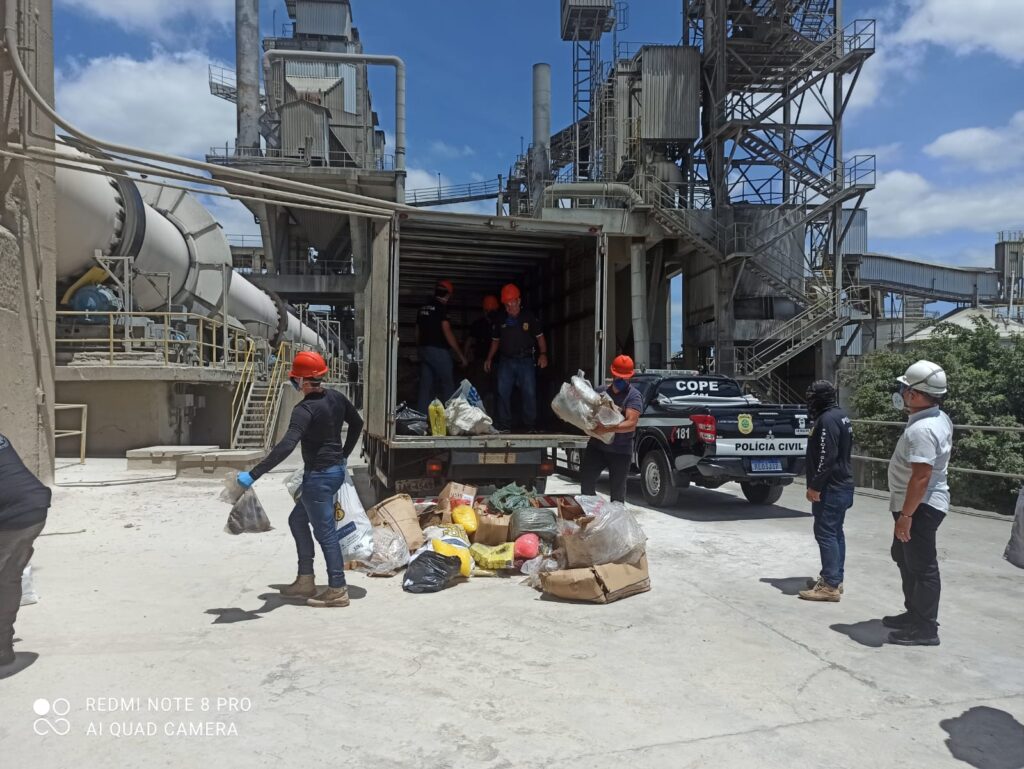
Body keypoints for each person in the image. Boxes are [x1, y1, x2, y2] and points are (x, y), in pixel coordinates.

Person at [237, 351, 363, 609]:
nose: (293, 382)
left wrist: (254, 473)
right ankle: (305, 580)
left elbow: (286, 446)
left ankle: (337, 589)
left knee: (325, 532)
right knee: (297, 520)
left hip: (319, 477)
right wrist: (343, 455)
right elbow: (357, 423)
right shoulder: (337, 398)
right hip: (334, 472)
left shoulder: (304, 410)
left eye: (295, 378)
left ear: (305, 381)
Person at [884, 359, 952, 646]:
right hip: (913, 505)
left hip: (920, 507)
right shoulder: (935, 418)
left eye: (904, 388)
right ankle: (913, 613)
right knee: (904, 558)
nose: (901, 392)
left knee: (922, 567)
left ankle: (925, 629)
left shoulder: (922, 430)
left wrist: (906, 516)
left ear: (914, 393)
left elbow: (921, 477)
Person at [798, 380, 855, 603]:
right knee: (835, 532)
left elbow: (826, 456)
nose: (809, 402)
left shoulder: (827, 420)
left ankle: (829, 585)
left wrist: (815, 486)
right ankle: (834, 578)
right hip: (842, 484)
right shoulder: (841, 415)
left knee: (826, 533)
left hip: (831, 488)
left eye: (812, 397)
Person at [0, 433, 51, 666]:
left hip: (14, 511)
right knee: (7, 578)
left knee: (5, 578)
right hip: (32, 505)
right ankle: (2, 648)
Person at [484, 284, 549, 432]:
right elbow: (495, 341)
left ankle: (530, 425)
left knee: (529, 392)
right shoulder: (501, 319)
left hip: (525, 360)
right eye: (506, 305)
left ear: (519, 301)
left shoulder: (529, 317)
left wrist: (543, 354)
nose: (509, 308)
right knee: (503, 392)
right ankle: (505, 425)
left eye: (512, 304)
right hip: (506, 361)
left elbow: (540, 338)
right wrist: (489, 358)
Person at [580, 356, 643, 503]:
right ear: (613, 374)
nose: (620, 379)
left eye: (624, 377)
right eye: (618, 376)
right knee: (586, 484)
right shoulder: (601, 391)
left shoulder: (633, 396)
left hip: (620, 452)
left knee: (617, 495)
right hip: (597, 448)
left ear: (629, 377)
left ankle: (615, 523)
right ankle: (592, 518)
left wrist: (607, 429)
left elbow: (631, 424)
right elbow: (589, 412)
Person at [416, 279, 467, 413]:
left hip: (424, 350)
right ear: (448, 295)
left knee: (425, 386)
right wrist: (461, 355)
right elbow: (447, 331)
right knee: (448, 384)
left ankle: (421, 420)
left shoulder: (423, 308)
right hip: (438, 351)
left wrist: (420, 349)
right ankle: (451, 417)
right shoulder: (441, 308)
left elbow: (417, 330)